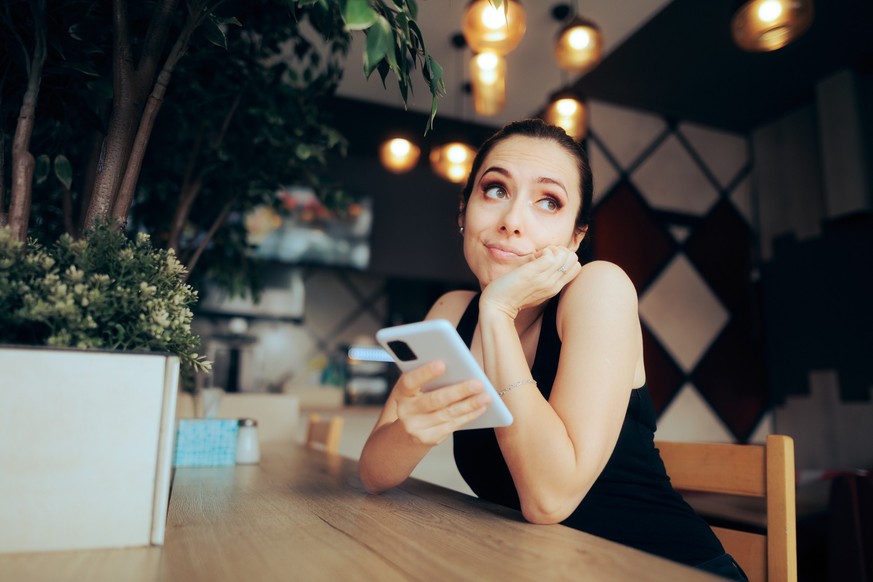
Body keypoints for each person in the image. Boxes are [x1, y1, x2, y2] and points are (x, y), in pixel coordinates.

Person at [358, 119, 747, 580]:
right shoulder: (452, 312)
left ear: (576, 238)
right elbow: (373, 474)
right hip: (545, 567)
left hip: (667, 567)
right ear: (464, 210)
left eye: (548, 201)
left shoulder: (599, 289)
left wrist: (499, 310)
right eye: (495, 190)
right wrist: (412, 433)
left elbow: (549, 499)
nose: (512, 221)